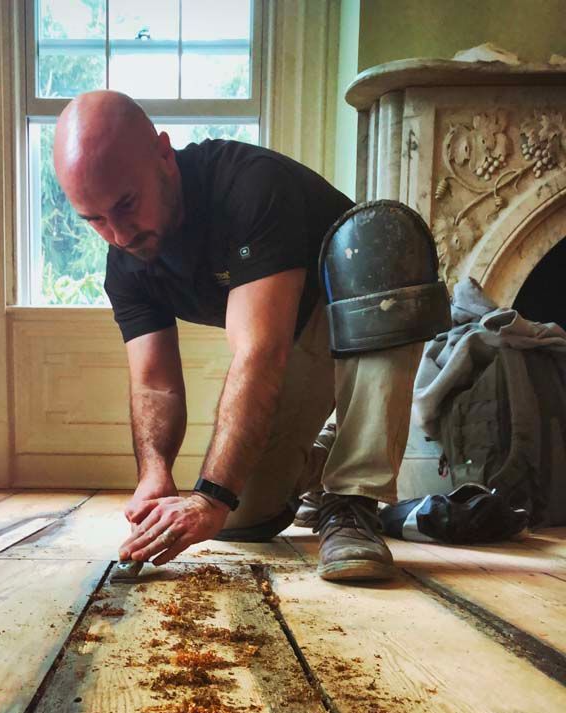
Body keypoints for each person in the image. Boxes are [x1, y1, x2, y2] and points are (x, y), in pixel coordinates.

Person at [53, 90, 426, 582]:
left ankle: (353, 496)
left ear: (164, 154)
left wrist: (210, 494)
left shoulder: (249, 187)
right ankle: (330, 453)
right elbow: (153, 385)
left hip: (358, 309)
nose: (119, 234)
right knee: (245, 517)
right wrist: (155, 473)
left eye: (126, 205)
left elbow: (259, 353)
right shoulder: (126, 263)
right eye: (95, 220)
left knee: (384, 240)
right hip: (292, 345)